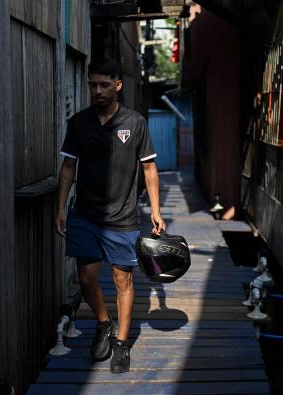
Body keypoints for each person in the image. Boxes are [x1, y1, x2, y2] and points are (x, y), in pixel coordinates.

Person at [55, 57, 165, 374]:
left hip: (123, 217)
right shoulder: (78, 123)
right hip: (85, 215)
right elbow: (67, 169)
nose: (97, 91)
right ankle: (104, 322)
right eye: (92, 85)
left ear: (118, 86)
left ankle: (120, 343)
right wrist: (61, 207)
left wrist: (156, 211)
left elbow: (149, 169)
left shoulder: (135, 123)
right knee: (88, 279)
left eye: (104, 85)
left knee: (122, 280)